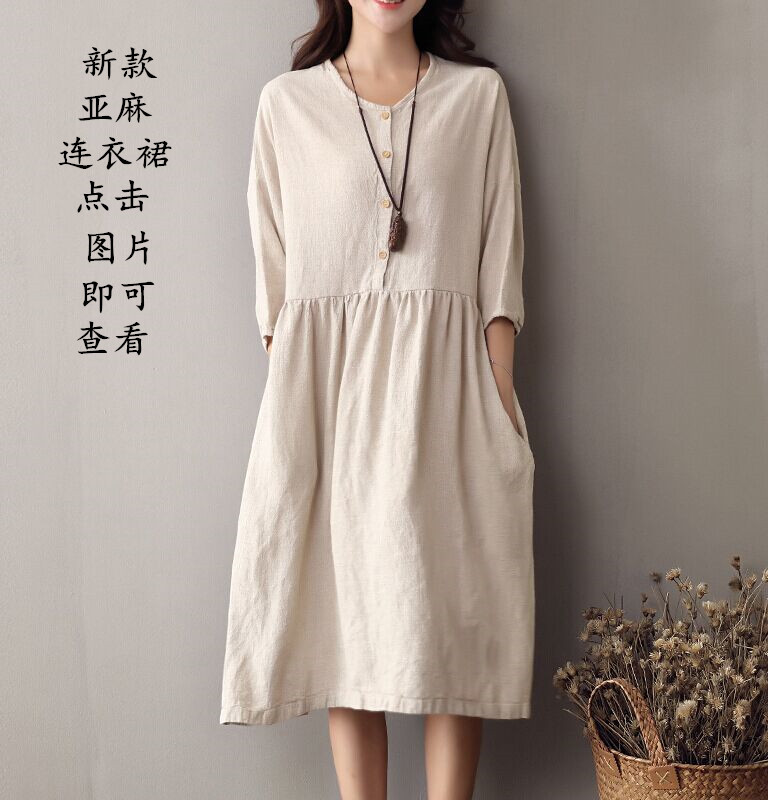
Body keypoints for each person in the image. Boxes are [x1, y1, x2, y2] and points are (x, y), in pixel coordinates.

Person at [220, 1, 536, 797]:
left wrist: (499, 394)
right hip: (331, 408)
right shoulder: (286, 105)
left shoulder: (477, 98)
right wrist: (301, 413)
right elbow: (276, 290)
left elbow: (500, 257)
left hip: (450, 398)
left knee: (453, 624)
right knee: (346, 627)